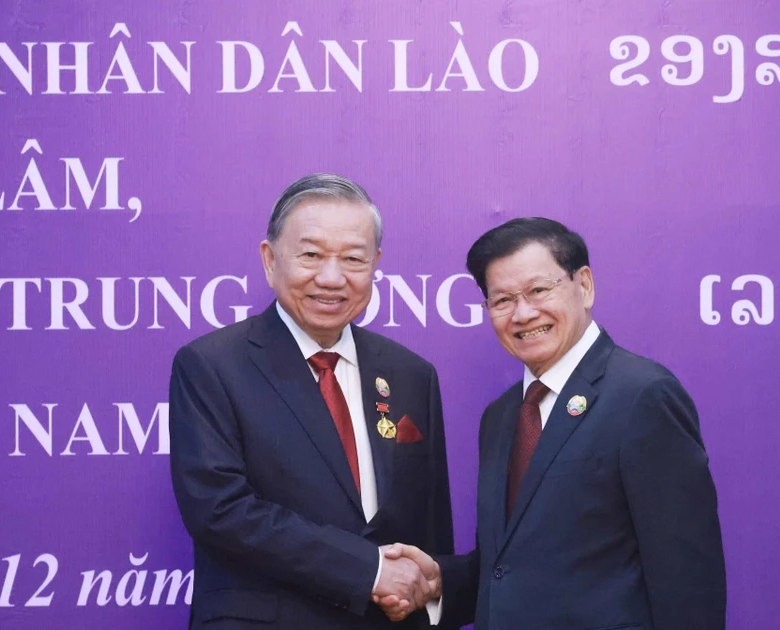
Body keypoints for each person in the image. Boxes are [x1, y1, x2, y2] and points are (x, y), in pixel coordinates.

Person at [391, 217, 726, 629]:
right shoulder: (501, 415)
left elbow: (687, 578)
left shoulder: (641, 395)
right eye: (502, 300)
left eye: (538, 290)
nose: (524, 313)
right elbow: (509, 565)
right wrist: (439, 582)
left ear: (583, 285)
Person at [168, 174, 453, 629]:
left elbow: (432, 531)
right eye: (311, 255)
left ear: (376, 263)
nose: (332, 277)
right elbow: (220, 511)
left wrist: (426, 593)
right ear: (269, 259)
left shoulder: (411, 374)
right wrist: (369, 570)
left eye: (353, 258)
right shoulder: (212, 366)